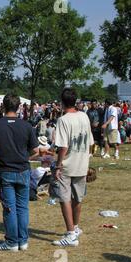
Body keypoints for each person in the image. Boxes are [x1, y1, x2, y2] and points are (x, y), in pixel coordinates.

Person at [0, 94, 39, 252]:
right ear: (19, 106)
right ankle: (23, 240)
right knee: (22, 207)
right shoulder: (26, 125)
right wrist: (23, 157)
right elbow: (36, 151)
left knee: (9, 208)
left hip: (5, 170)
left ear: (3, 107)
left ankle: (12, 242)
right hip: (22, 170)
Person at [51, 88, 94, 247]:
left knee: (64, 199)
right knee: (78, 198)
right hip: (82, 163)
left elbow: (62, 147)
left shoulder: (63, 120)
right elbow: (90, 142)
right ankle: (75, 227)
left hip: (68, 165)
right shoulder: (84, 116)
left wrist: (58, 166)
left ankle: (70, 234)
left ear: (62, 102)